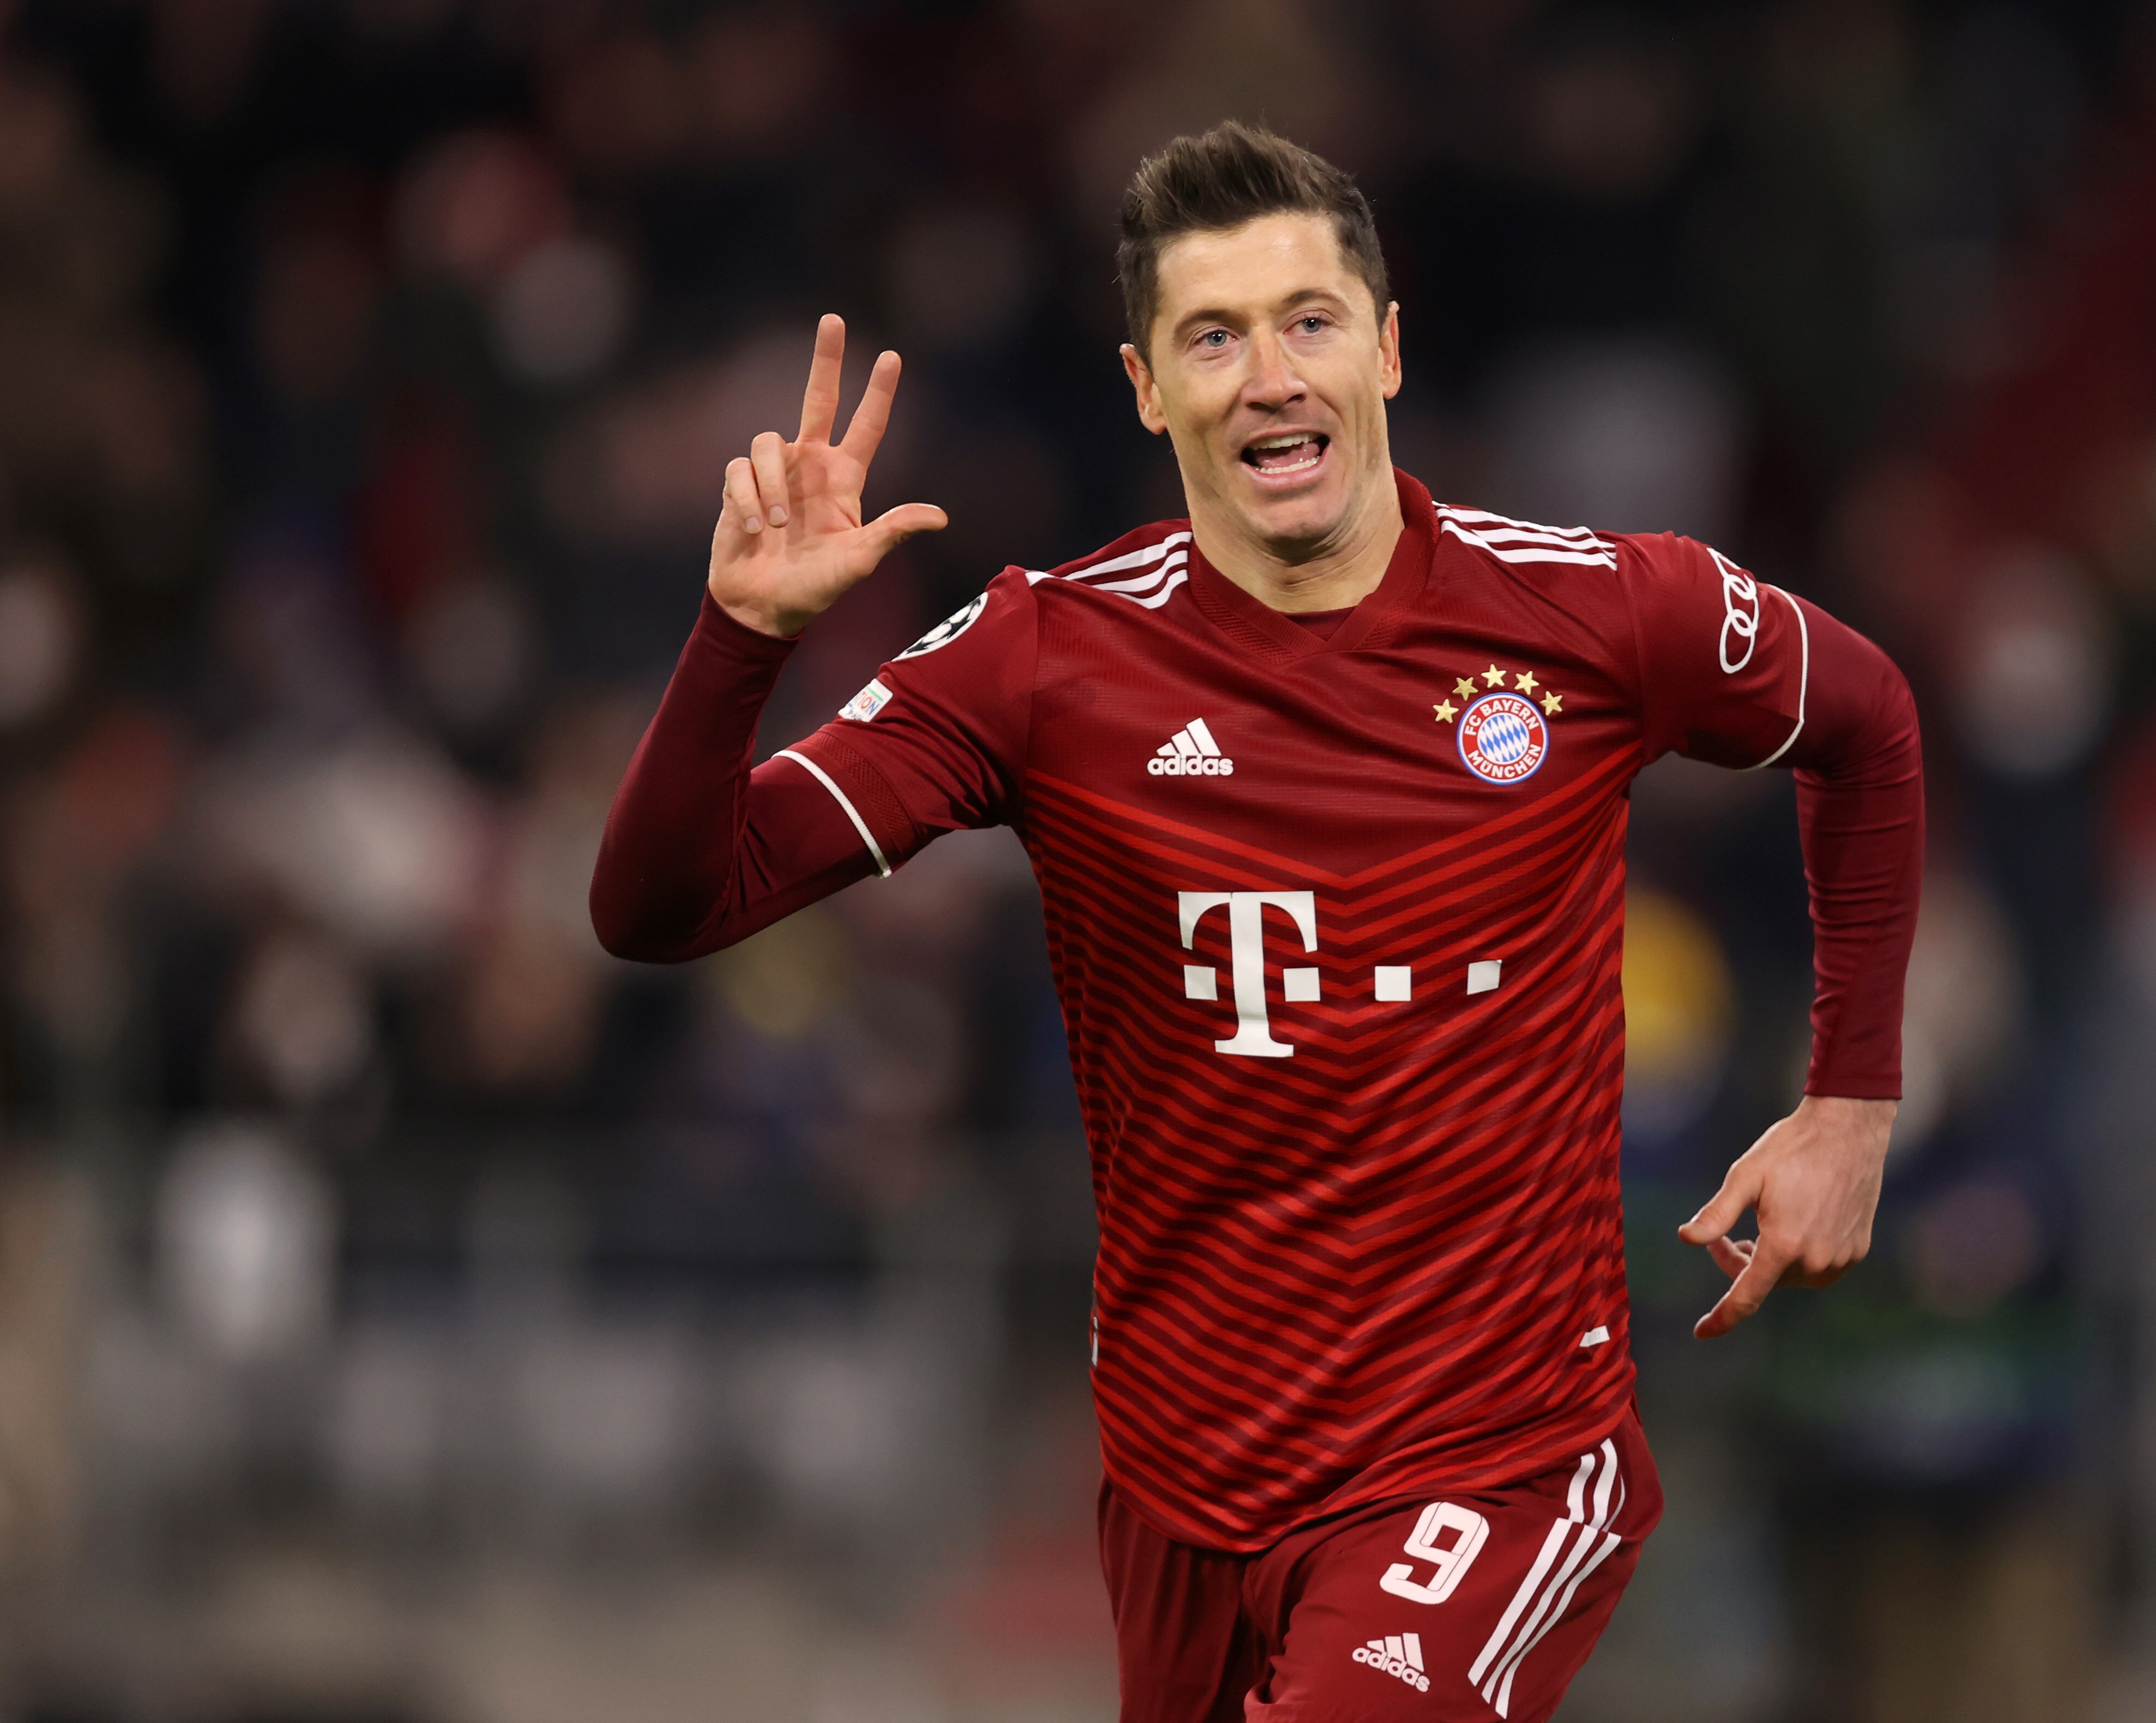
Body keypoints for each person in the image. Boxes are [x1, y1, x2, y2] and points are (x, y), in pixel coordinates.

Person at [592, 122, 1921, 1722]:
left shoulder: (1591, 613)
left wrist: (1850, 1099)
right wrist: (738, 641)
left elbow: (1867, 719)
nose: (1270, 374)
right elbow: (665, 906)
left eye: (1307, 321)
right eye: (1211, 337)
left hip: (1490, 1461)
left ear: (1387, 347)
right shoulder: (1040, 664)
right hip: (1182, 1483)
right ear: (1149, 390)